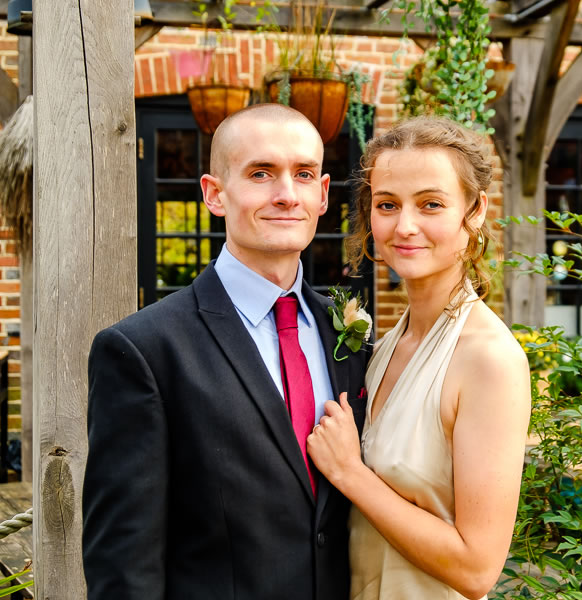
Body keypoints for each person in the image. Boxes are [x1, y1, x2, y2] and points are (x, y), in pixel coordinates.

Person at [82, 103, 369, 600]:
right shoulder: (143, 350)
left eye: (303, 174)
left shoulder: (349, 336)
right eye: (261, 173)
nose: (287, 195)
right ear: (215, 193)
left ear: (323, 195)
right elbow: (124, 565)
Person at [307, 116, 532, 600]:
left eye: (431, 204)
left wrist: (350, 473)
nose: (405, 226)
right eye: (387, 205)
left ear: (475, 211)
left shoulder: (489, 361)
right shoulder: (386, 345)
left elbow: (477, 569)